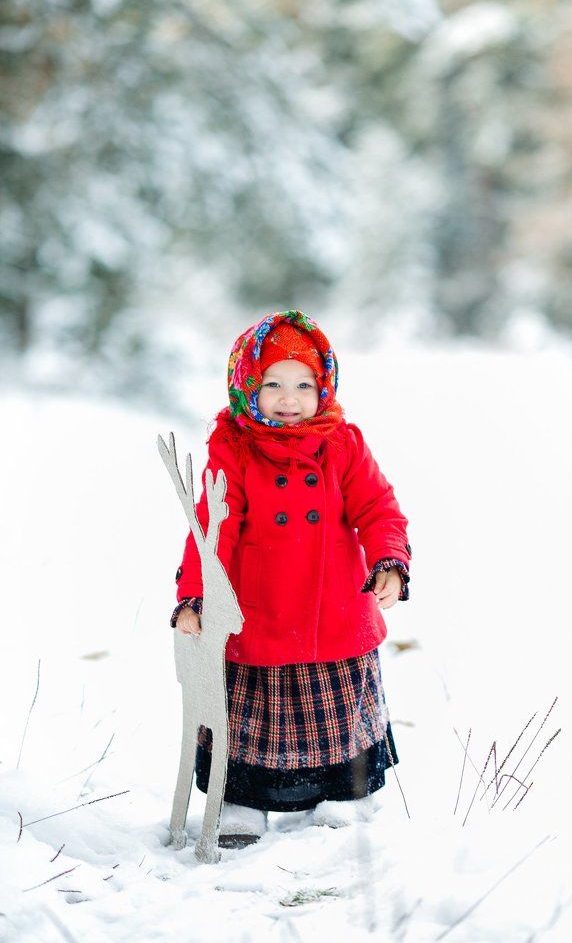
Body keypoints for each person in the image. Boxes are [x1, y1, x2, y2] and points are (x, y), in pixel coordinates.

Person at [170, 310, 411, 847]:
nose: (289, 397)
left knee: (336, 707)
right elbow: (212, 527)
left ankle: (342, 793)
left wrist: (389, 560)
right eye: (272, 384)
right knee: (253, 713)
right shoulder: (232, 446)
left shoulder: (342, 442)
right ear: (245, 385)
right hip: (259, 607)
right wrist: (196, 593)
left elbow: (377, 507)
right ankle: (243, 800)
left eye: (304, 384)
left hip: (335, 606)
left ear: (323, 387)